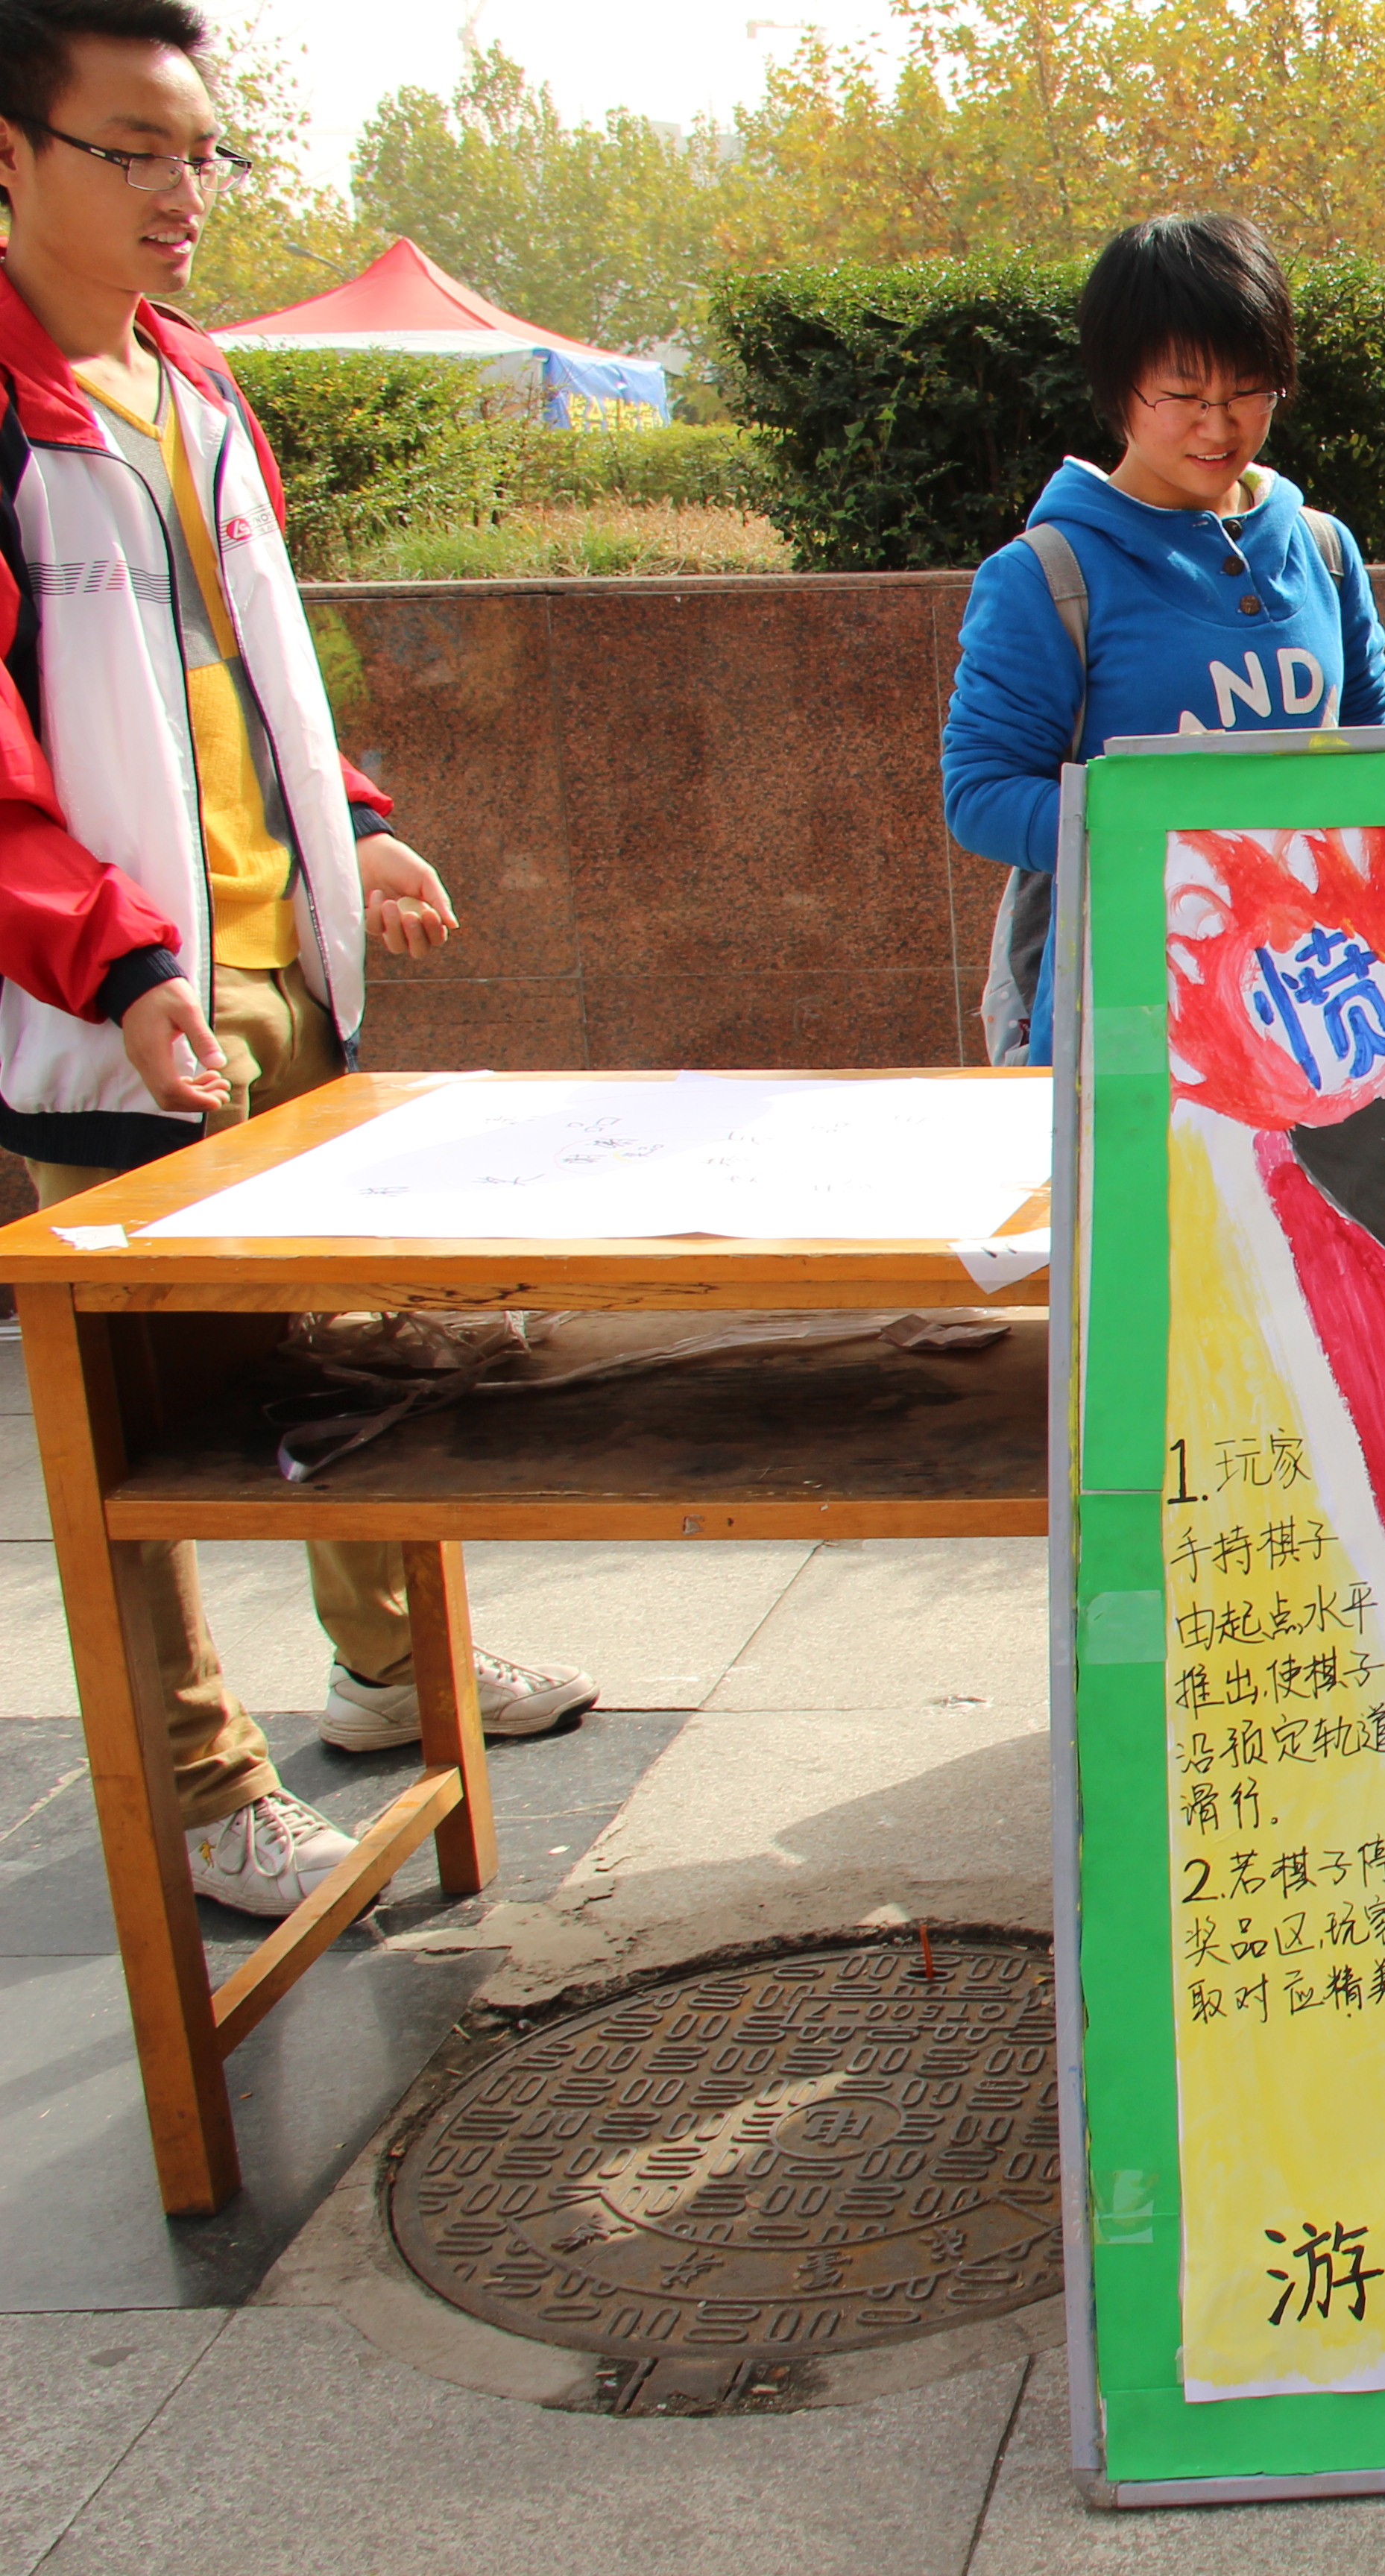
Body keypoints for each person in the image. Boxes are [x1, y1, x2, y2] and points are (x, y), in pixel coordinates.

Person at [0, 0, 596, 1919]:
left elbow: (249, 672)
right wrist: (116, 965)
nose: (182, 191)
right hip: (116, 1011)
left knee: (354, 1353)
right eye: (132, 150)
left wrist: (348, 822)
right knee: (132, 1432)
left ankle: (391, 1668)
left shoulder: (193, 383)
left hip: (286, 969)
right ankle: (200, 1781)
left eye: (200, 152)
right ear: (11, 154)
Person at [944, 212, 1385, 1067]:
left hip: (1323, 1001)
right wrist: (1169, 829)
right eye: (1183, 397)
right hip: (1133, 1015)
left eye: (1248, 392)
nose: (1218, 428)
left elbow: (1377, 750)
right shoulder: (1048, 576)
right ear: (1118, 389)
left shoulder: (1325, 550)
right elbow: (981, 793)